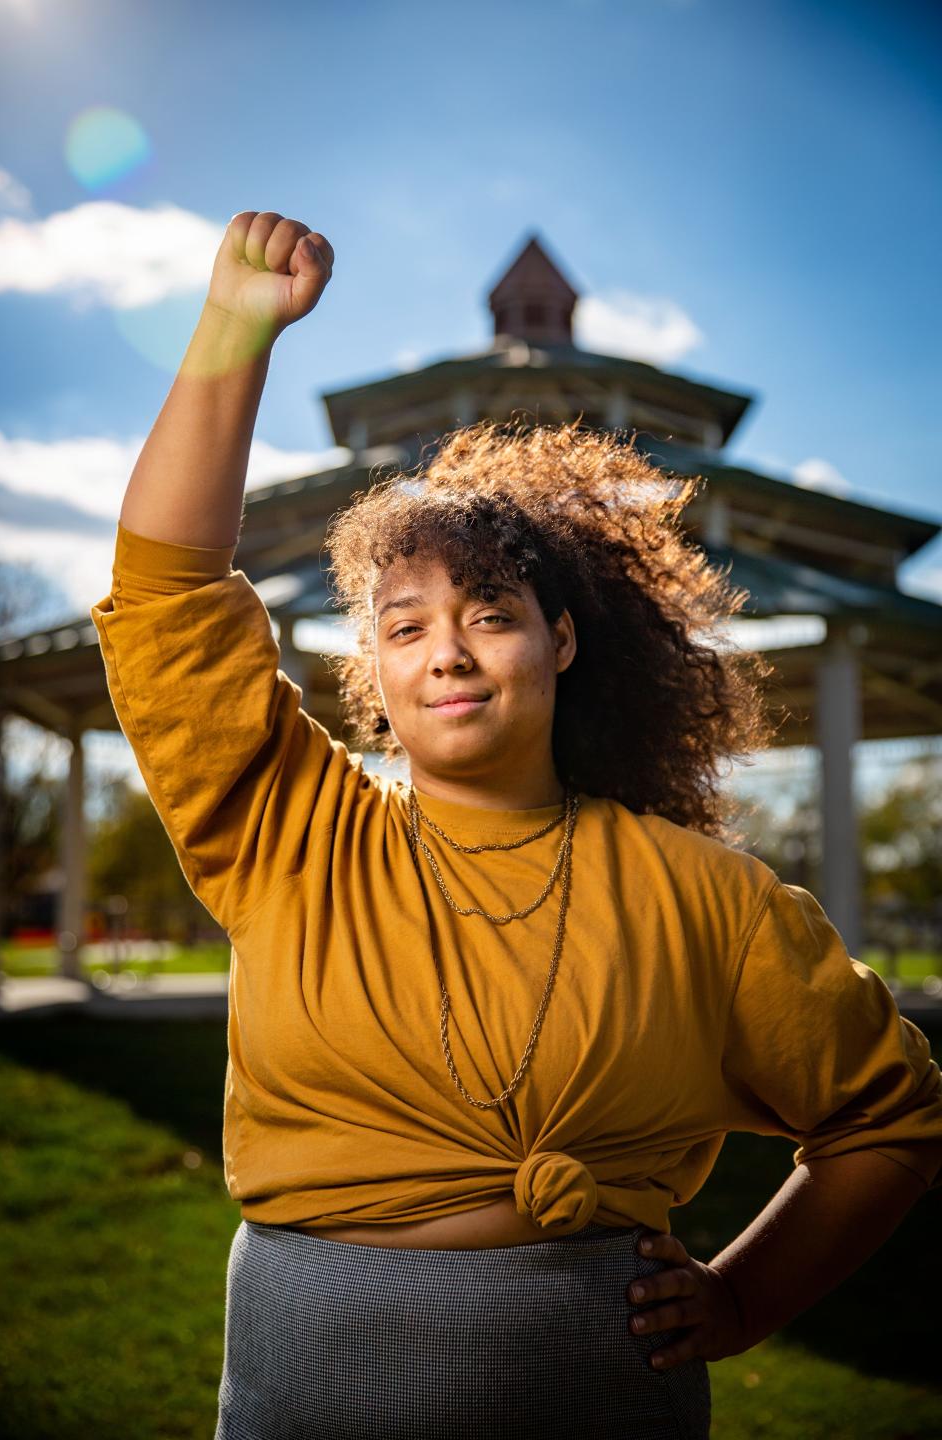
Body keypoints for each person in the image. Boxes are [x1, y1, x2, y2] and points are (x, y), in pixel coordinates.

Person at [91, 211, 942, 1440]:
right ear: (370, 675)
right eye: (402, 625)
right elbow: (168, 594)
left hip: (600, 1394)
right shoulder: (293, 832)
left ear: (563, 640)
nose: (445, 650)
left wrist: (746, 1299)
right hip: (301, 1385)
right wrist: (233, 327)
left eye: (491, 612)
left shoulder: (708, 896)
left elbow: (890, 1117)